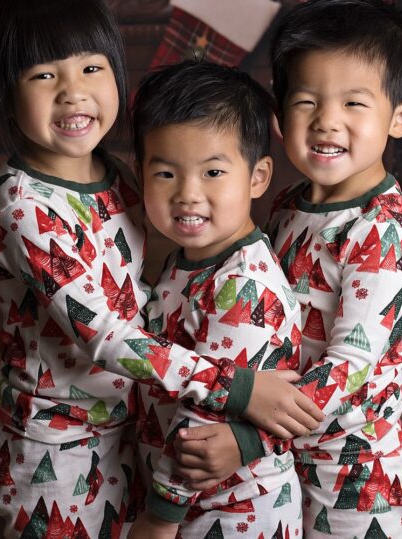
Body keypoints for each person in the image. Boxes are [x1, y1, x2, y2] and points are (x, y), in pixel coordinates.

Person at [0, 0, 323, 537]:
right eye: (44, 75)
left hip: (130, 431)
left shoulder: (117, 176)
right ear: (5, 92)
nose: (73, 93)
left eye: (91, 68)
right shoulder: (22, 206)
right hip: (55, 442)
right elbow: (103, 333)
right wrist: (235, 386)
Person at [174, 0, 402, 537]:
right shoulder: (288, 206)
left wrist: (247, 439)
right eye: (307, 102)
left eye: (354, 104)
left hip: (358, 473)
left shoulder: (382, 232)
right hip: (288, 459)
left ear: (400, 117)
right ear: (279, 116)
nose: (327, 122)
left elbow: (349, 368)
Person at [128, 61, 305, 538]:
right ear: (140, 174)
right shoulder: (184, 261)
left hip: (237, 507)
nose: (188, 194)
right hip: (193, 500)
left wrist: (160, 519)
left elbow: (206, 415)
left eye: (212, 172)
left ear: (257, 177)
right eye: (166, 173)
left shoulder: (242, 283)